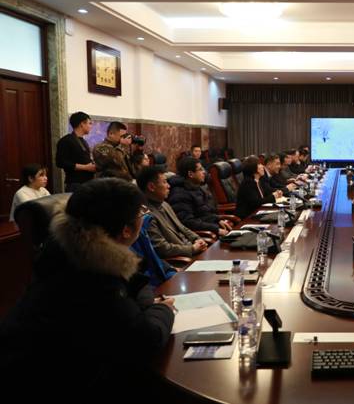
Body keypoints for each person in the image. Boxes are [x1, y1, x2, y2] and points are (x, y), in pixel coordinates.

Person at [0, 178, 175, 402]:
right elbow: (146, 340)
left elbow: (135, 286)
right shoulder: (94, 277)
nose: (144, 215)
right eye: (141, 212)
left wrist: (145, 304)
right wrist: (163, 309)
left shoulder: (69, 248)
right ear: (125, 230)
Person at [137, 166, 208, 258]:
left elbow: (182, 228)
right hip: (182, 259)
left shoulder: (164, 204)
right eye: (164, 182)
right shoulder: (146, 215)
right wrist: (192, 249)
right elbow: (162, 248)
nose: (168, 186)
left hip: (191, 250)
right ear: (151, 187)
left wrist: (197, 239)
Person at [167, 157, 233, 237]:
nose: (204, 172)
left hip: (208, 227)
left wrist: (217, 220)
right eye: (200, 169)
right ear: (190, 174)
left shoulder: (194, 186)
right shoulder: (179, 194)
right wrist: (215, 229)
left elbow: (204, 213)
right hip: (200, 236)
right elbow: (188, 222)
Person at [55, 111, 96, 192]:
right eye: (89, 123)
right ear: (82, 124)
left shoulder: (83, 141)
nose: (91, 126)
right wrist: (85, 167)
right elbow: (60, 162)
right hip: (75, 184)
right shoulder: (66, 140)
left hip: (87, 182)